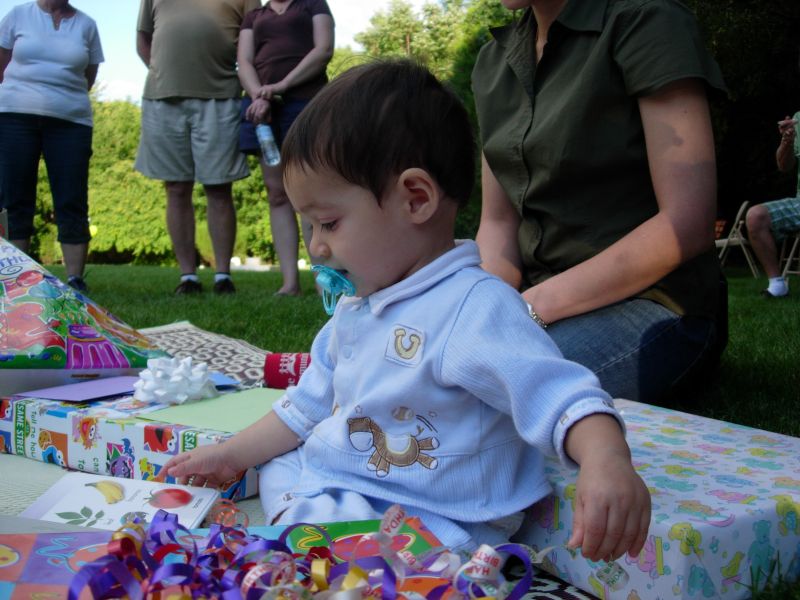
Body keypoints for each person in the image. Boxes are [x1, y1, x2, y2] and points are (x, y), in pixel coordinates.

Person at [161, 60, 650, 559]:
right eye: (310, 227)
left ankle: (349, 553)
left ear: (415, 199)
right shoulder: (358, 308)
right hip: (348, 483)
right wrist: (229, 455)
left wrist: (607, 461)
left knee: (330, 533)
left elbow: (560, 396)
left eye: (328, 223)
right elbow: (305, 407)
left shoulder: (472, 306)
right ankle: (316, 537)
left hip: (436, 512)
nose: (318, 248)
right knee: (277, 465)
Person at [472, 0, 727, 403]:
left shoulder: (646, 22)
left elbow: (687, 221)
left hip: (653, 305)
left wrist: (526, 311)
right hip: (537, 306)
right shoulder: (493, 61)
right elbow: (499, 224)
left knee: (472, 399)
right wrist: (479, 311)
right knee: (421, 370)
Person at [135, 0, 260, 295]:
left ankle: (222, 276)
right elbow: (143, 38)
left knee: (219, 188)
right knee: (176, 188)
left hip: (222, 97)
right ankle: (188, 276)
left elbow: (257, 38)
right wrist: (160, 73)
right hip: (163, 98)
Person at [0, 0, 103, 293]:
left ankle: (74, 281)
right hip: (14, 118)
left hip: (71, 122)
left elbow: (89, 76)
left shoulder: (87, 25)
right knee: (14, 198)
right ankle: (14, 279)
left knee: (72, 198)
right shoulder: (18, 15)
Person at [237, 0, 334, 296]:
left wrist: (280, 86)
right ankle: (290, 282)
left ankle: (323, 281)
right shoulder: (254, 16)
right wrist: (259, 95)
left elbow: (323, 50)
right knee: (277, 192)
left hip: (305, 102)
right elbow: (244, 62)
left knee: (310, 189)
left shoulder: (313, 4)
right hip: (263, 108)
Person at [744, 113, 800, 298]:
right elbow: (784, 166)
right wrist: (787, 141)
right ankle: (777, 285)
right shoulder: (798, 118)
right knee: (756, 216)